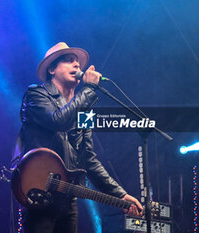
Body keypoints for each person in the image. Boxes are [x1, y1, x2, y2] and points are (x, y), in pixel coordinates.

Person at [11, 42, 142, 233]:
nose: (76, 65)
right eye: (68, 60)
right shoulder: (36, 94)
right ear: (52, 69)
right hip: (39, 194)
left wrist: (120, 195)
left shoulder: (84, 110)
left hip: (67, 198)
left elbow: (88, 159)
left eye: (77, 63)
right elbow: (58, 120)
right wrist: (88, 89)